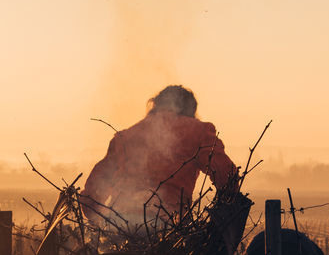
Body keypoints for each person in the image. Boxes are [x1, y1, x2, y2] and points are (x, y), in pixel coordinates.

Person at [80, 85, 238, 234]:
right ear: (191, 109)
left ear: (155, 105)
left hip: (116, 222)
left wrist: (97, 219)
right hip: (166, 226)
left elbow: (93, 193)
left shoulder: (125, 136)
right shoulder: (198, 131)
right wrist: (226, 204)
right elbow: (225, 175)